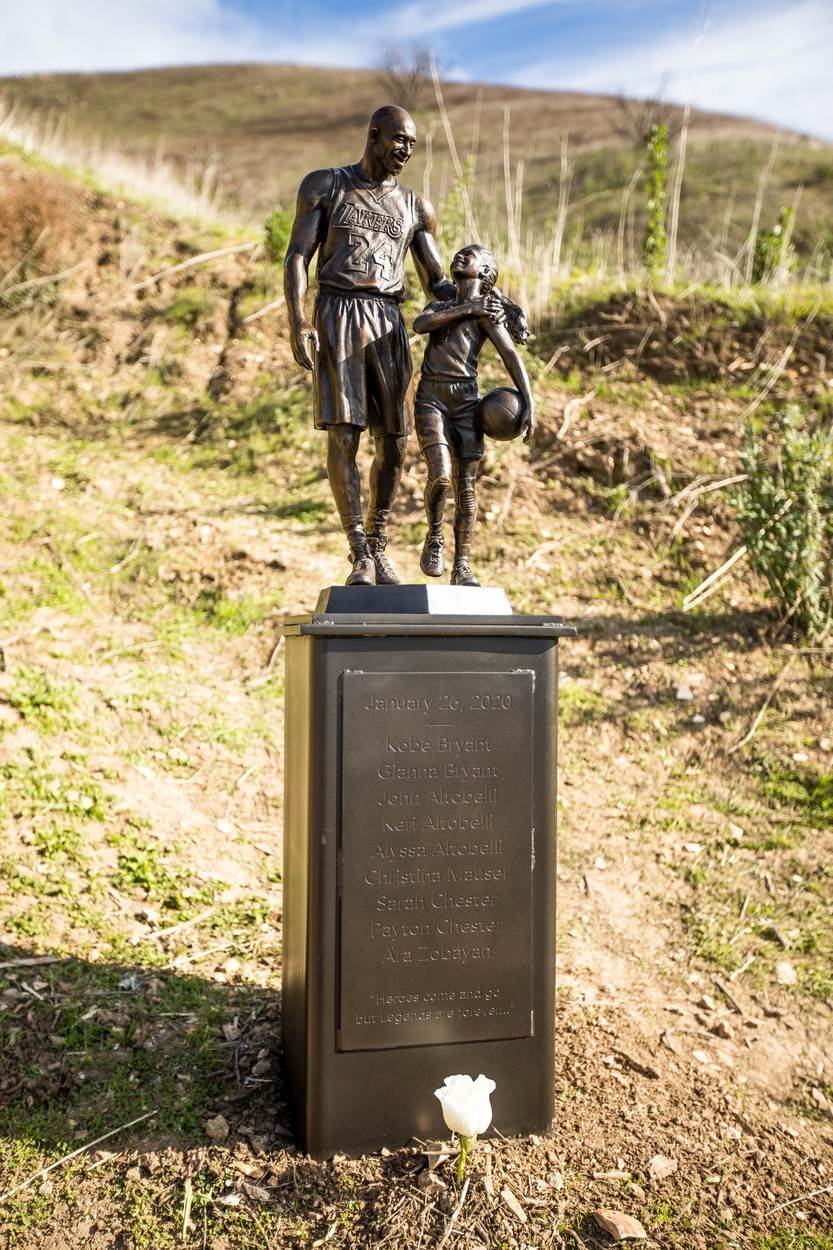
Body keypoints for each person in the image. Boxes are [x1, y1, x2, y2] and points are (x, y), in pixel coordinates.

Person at [283, 105, 456, 586]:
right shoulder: (326, 186)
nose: (405, 151)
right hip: (338, 312)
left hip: (388, 321)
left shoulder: (416, 208)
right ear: (374, 136)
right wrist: (298, 320)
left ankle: (379, 545)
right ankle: (358, 548)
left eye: (412, 145)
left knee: (396, 441)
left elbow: (435, 280)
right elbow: (298, 256)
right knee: (344, 434)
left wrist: (479, 298)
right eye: (399, 141)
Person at [413, 244, 534, 587]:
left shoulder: (487, 315)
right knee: (439, 475)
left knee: (466, 490)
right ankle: (434, 537)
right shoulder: (441, 305)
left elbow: (511, 356)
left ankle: (462, 564)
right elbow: (421, 323)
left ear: (485, 273)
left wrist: (529, 402)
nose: (460, 256)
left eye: (471, 256)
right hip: (431, 398)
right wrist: (467, 307)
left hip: (466, 402)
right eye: (460, 254)